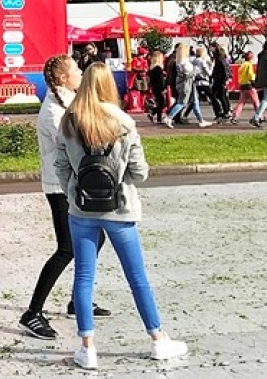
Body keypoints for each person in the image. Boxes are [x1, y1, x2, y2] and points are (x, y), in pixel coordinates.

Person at [57, 63, 188, 369]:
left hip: (81, 210)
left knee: (84, 277)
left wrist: (74, 191)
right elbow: (140, 174)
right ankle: (157, 339)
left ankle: (87, 348)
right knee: (137, 277)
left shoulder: (69, 121)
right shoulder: (123, 122)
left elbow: (61, 169)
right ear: (107, 86)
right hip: (120, 209)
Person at [19, 55, 109, 341]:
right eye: (76, 70)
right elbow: (74, 146)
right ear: (62, 78)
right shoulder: (53, 113)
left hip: (72, 184)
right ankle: (33, 313)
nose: (81, 73)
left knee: (96, 238)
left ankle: (77, 300)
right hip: (60, 188)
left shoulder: (68, 101)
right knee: (67, 248)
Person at [231, 51, 260, 121]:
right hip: (249, 85)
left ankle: (234, 116)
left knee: (241, 102)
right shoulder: (249, 64)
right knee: (256, 101)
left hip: (243, 85)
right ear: (251, 58)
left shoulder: (243, 64)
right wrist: (254, 83)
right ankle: (259, 116)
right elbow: (250, 75)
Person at [147, 51, 167, 124]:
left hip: (154, 88)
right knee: (162, 103)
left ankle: (157, 117)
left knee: (160, 103)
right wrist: (163, 89)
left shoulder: (151, 69)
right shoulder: (158, 69)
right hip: (159, 88)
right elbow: (161, 80)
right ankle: (154, 114)